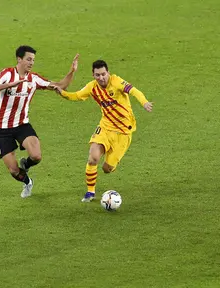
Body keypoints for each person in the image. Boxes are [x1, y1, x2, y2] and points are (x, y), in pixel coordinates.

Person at [0, 45, 79, 198]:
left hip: (21, 125)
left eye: (33, 60)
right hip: (0, 128)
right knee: (14, 170)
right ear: (19, 59)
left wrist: (72, 71)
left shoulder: (33, 79)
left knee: (36, 156)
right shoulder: (7, 74)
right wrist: (10, 85)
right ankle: (27, 182)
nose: (31, 63)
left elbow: (61, 86)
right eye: (28, 59)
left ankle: (26, 164)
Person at [53, 60, 153, 202]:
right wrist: (62, 93)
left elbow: (133, 91)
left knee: (107, 168)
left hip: (124, 132)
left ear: (108, 73)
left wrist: (144, 102)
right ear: (93, 75)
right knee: (93, 157)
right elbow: (77, 95)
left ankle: (111, 162)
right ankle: (90, 192)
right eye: (97, 75)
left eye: (103, 74)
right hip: (105, 127)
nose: (101, 78)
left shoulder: (117, 81)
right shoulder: (92, 87)